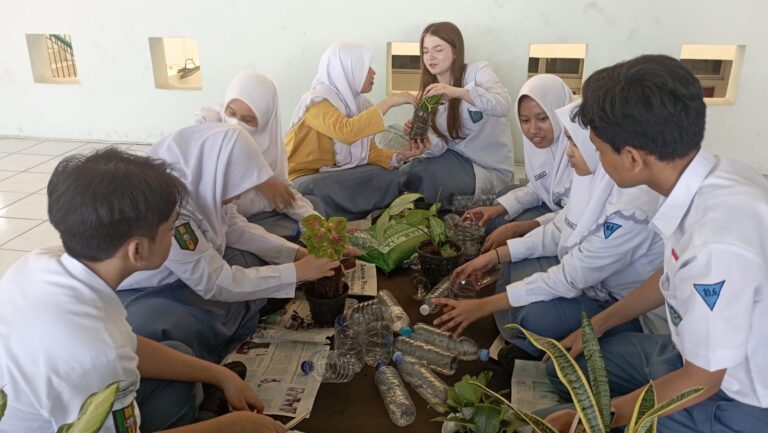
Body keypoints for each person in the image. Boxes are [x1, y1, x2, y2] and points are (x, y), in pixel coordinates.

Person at [545, 55, 768, 433]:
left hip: (732, 399)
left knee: (586, 414)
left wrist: (596, 418)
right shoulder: (708, 176)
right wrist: (595, 326)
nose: (596, 157)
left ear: (632, 158)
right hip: (687, 354)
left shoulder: (714, 242)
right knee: (567, 372)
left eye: (599, 148)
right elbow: (670, 275)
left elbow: (702, 380)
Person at [0, 148, 286, 432]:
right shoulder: (97, 352)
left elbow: (127, 343)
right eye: (171, 228)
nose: (175, 234)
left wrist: (221, 375)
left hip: (49, 399)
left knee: (175, 355)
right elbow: (109, 351)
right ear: (138, 249)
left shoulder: (38, 263)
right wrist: (234, 427)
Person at [433, 101, 666, 372]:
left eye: (575, 143)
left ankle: (600, 340)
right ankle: (532, 334)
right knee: (518, 264)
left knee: (534, 318)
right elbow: (559, 230)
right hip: (591, 280)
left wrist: (482, 306)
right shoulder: (593, 176)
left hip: (623, 306)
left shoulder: (631, 207)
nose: (567, 153)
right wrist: (496, 255)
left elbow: (570, 276)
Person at [118, 123, 338, 364]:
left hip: (196, 271)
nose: (240, 196)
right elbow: (213, 283)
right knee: (182, 322)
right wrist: (297, 272)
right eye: (237, 187)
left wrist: (296, 254)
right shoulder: (171, 208)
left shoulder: (204, 181)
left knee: (252, 266)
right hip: (149, 289)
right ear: (218, 172)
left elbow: (234, 228)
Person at [285, 41, 428, 219]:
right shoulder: (316, 102)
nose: (373, 72)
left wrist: (402, 155)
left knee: (387, 174)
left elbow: (369, 152)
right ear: (348, 69)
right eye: (367, 67)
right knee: (313, 188)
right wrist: (389, 102)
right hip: (304, 177)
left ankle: (369, 213)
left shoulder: (360, 104)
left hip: (336, 173)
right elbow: (346, 132)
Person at [400, 21, 515, 209]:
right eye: (426, 51)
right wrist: (420, 137)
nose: (431, 57)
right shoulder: (428, 95)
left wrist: (457, 92)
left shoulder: (478, 72)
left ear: (455, 51)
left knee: (427, 179)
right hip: (452, 159)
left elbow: (503, 105)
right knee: (410, 171)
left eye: (438, 49)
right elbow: (438, 147)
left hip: (486, 166)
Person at [195, 71, 322, 240]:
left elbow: (283, 193)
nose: (236, 124)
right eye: (231, 113)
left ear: (265, 122)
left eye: (248, 120)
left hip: (258, 215)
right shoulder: (206, 127)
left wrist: (320, 224)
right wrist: (259, 177)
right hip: (221, 224)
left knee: (314, 208)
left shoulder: (269, 142)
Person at [464, 74, 573, 251]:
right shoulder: (541, 146)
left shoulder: (580, 149)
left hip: (571, 223)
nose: (533, 130)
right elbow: (539, 187)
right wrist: (496, 209)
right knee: (496, 215)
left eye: (543, 118)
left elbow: (577, 214)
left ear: (559, 111)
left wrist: (524, 228)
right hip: (552, 207)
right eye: (525, 120)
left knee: (510, 239)